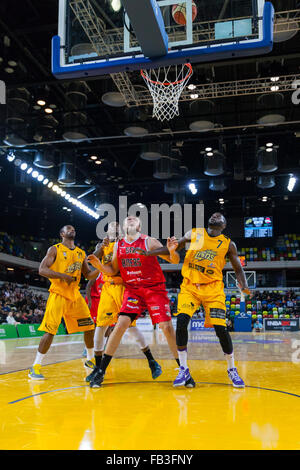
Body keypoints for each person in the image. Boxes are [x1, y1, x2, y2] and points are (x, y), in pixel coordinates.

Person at [137, 212, 250, 388]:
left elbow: (237, 268)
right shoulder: (194, 234)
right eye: (213, 215)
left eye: (220, 216)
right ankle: (183, 368)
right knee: (181, 322)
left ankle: (232, 369)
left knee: (221, 328)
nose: (215, 216)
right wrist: (149, 252)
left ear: (224, 226)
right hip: (190, 287)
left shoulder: (228, 244)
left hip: (213, 290)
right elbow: (173, 249)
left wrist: (243, 285)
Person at [86, 215, 184, 388]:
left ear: (139, 227)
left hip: (153, 288)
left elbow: (174, 260)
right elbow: (112, 269)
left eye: (134, 219)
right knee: (121, 324)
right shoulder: (119, 245)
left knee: (167, 328)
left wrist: (171, 250)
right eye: (127, 219)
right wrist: (98, 265)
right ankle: (101, 371)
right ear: (124, 228)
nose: (130, 219)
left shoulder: (149, 241)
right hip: (133, 290)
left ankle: (183, 368)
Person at [28, 225, 99, 380]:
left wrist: (101, 267)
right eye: (68, 229)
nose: (72, 230)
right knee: (50, 331)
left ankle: (90, 359)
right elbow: (42, 269)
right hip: (58, 293)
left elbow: (88, 274)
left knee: (89, 326)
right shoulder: (55, 249)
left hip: (75, 294)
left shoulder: (81, 253)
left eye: (73, 229)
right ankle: (35, 366)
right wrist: (62, 276)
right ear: (61, 234)